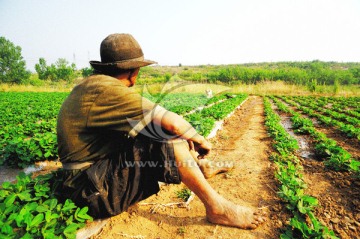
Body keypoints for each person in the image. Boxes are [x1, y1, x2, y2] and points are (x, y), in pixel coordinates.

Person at [55, 33, 265, 229]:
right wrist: (200, 140)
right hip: (89, 192)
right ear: (133, 71)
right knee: (167, 135)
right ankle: (217, 208)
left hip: (91, 181)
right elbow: (171, 123)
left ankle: (199, 169)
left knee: (157, 130)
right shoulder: (105, 89)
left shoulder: (95, 86)